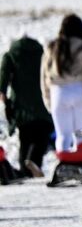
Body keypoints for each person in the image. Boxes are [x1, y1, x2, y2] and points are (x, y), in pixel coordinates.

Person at [40, 14, 82, 154]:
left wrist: (48, 100)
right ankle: (81, 161)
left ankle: (64, 162)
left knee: (62, 135)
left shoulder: (52, 47)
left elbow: (44, 76)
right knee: (81, 133)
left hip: (58, 92)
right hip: (80, 91)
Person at [1, 30, 55, 174]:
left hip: (21, 105)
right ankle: (33, 163)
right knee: (42, 134)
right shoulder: (42, 53)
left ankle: (25, 169)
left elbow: (3, 77)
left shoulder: (11, 54)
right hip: (42, 101)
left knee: (25, 137)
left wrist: (4, 96)